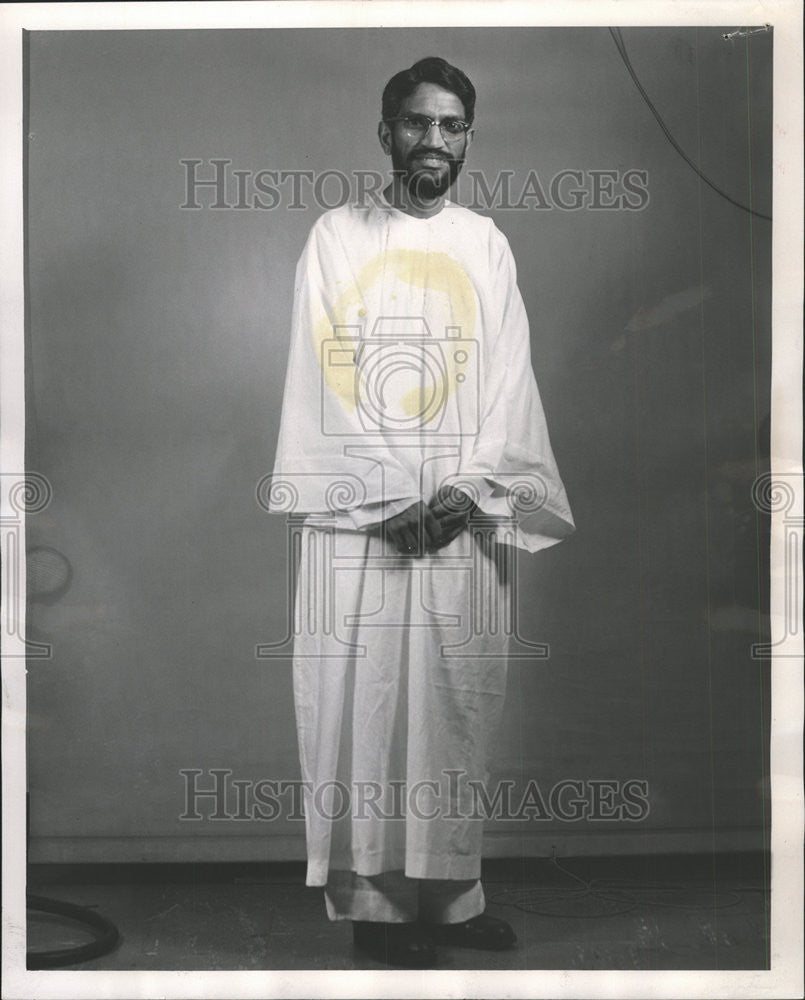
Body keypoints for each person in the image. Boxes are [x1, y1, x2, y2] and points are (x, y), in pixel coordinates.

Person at [270, 56, 575, 967]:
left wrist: (469, 491)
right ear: (384, 133)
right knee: (364, 707)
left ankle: (449, 900)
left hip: (460, 516)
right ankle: (372, 908)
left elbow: (510, 380)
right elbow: (319, 371)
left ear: (467, 137)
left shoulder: (486, 242)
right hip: (363, 522)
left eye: (449, 125)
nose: (431, 140)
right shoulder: (336, 235)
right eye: (415, 123)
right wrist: (384, 495)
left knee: (451, 705)